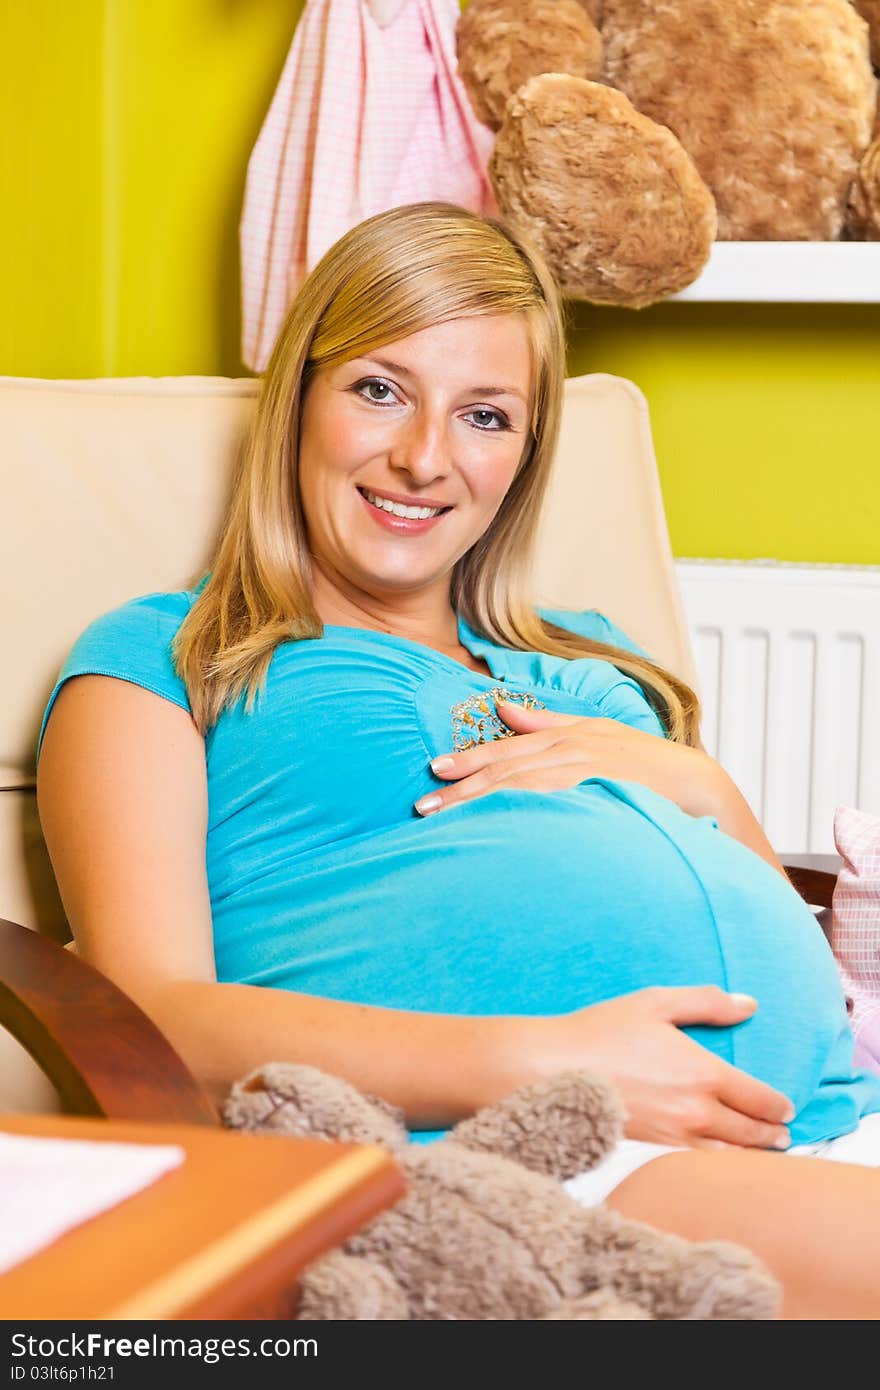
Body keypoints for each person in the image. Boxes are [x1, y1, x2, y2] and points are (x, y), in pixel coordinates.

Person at [36, 201, 880, 1318]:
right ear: (299, 398)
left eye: (483, 414)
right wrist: (538, 1063)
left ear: (524, 455)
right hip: (546, 1158)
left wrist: (698, 782)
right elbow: (146, 1010)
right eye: (379, 389)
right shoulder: (163, 657)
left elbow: (761, 920)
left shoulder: (589, 654)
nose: (424, 457)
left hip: (829, 1112)